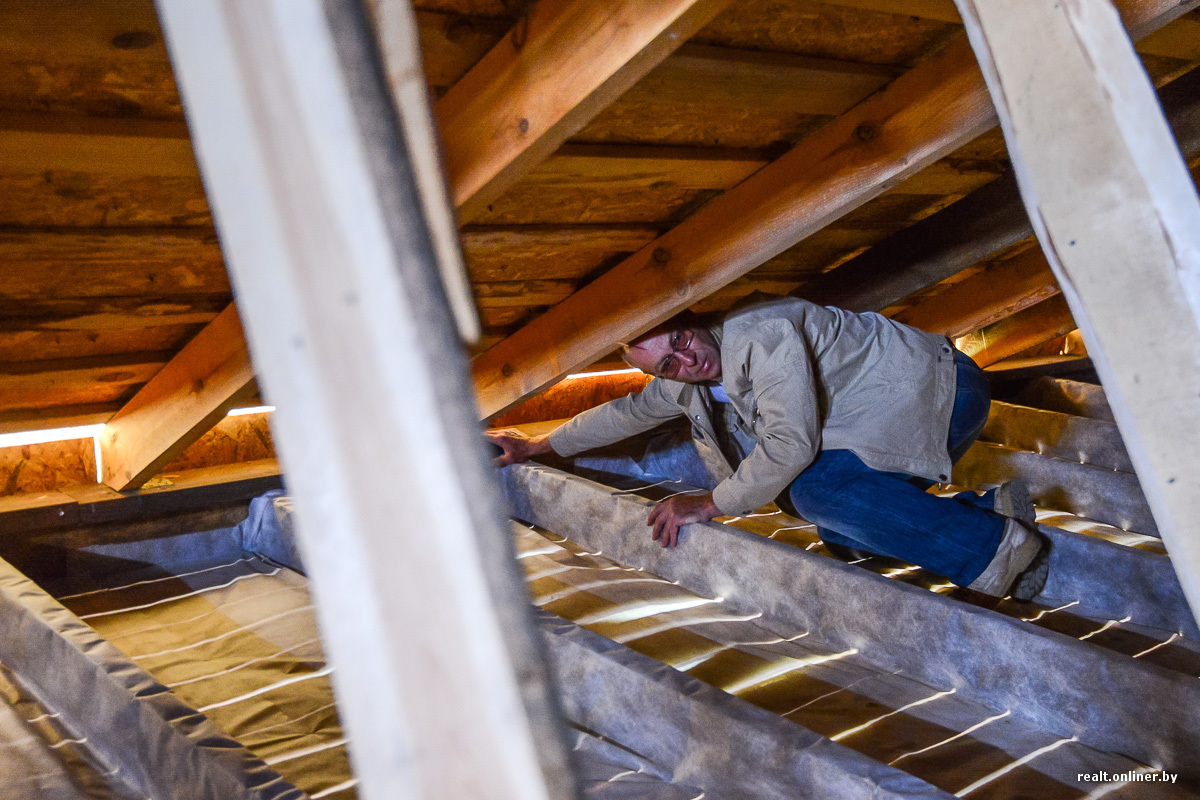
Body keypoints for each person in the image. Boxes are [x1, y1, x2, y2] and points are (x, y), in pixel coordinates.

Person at [487, 294, 1049, 600]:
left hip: (943, 391)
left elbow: (789, 447)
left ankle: (997, 549)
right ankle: (988, 510)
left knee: (816, 490)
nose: (685, 363)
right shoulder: (684, 380)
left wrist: (709, 502)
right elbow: (626, 413)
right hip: (879, 421)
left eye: (681, 341)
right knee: (844, 531)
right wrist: (536, 446)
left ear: (691, 319)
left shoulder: (762, 331)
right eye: (667, 364)